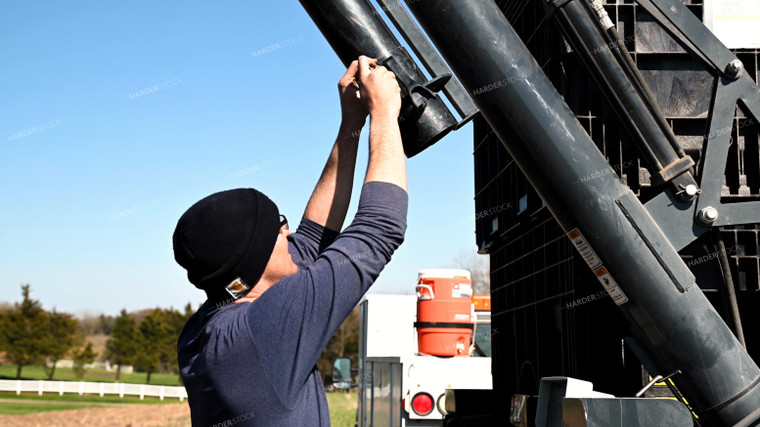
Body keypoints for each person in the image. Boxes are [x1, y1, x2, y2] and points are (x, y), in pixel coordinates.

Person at [173, 56, 407, 426]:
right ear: (252, 263)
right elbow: (380, 228)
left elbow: (313, 239)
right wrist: (384, 116)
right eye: (278, 227)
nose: (288, 232)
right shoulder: (260, 334)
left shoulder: (204, 327)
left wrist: (351, 125)